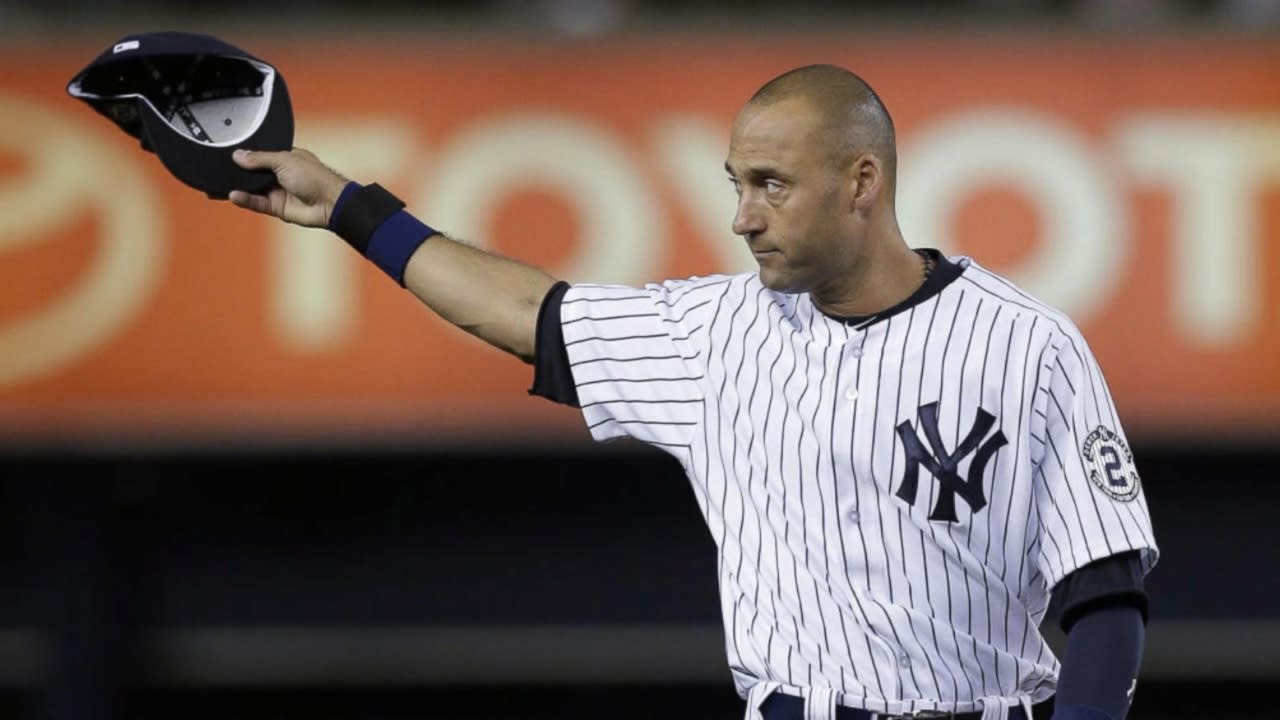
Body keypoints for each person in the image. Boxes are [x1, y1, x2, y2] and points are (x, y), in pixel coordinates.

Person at [228, 64, 1157, 720]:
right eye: (736, 183)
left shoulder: (1026, 342)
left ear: (862, 181)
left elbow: (1105, 593)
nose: (741, 215)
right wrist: (351, 210)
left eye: (771, 184)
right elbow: (526, 314)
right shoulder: (713, 335)